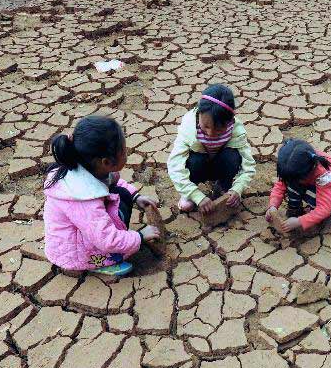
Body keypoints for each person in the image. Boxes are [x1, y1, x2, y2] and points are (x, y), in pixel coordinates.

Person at [43, 116, 160, 277]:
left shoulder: (86, 166)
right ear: (106, 162)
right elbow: (106, 239)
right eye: (123, 151)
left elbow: (110, 182)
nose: (127, 153)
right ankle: (98, 263)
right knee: (119, 208)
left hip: (80, 236)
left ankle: (109, 246)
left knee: (124, 195)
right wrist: (139, 237)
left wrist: (135, 196)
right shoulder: (82, 196)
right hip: (74, 254)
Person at [166, 83, 255, 214]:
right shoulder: (189, 129)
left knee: (232, 157)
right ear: (198, 112)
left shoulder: (236, 130)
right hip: (198, 168)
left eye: (218, 129)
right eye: (206, 126)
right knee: (195, 160)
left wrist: (238, 189)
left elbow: (248, 165)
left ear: (230, 121)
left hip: (221, 165)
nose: (211, 133)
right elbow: (175, 166)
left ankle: (224, 187)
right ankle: (189, 192)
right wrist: (196, 196)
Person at [266, 139, 331, 234]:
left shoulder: (325, 175)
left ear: (307, 174)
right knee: (292, 185)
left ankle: (321, 219)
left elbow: (324, 208)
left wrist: (300, 221)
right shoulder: (293, 165)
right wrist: (273, 206)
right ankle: (295, 211)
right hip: (311, 187)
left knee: (296, 187)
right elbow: (280, 185)